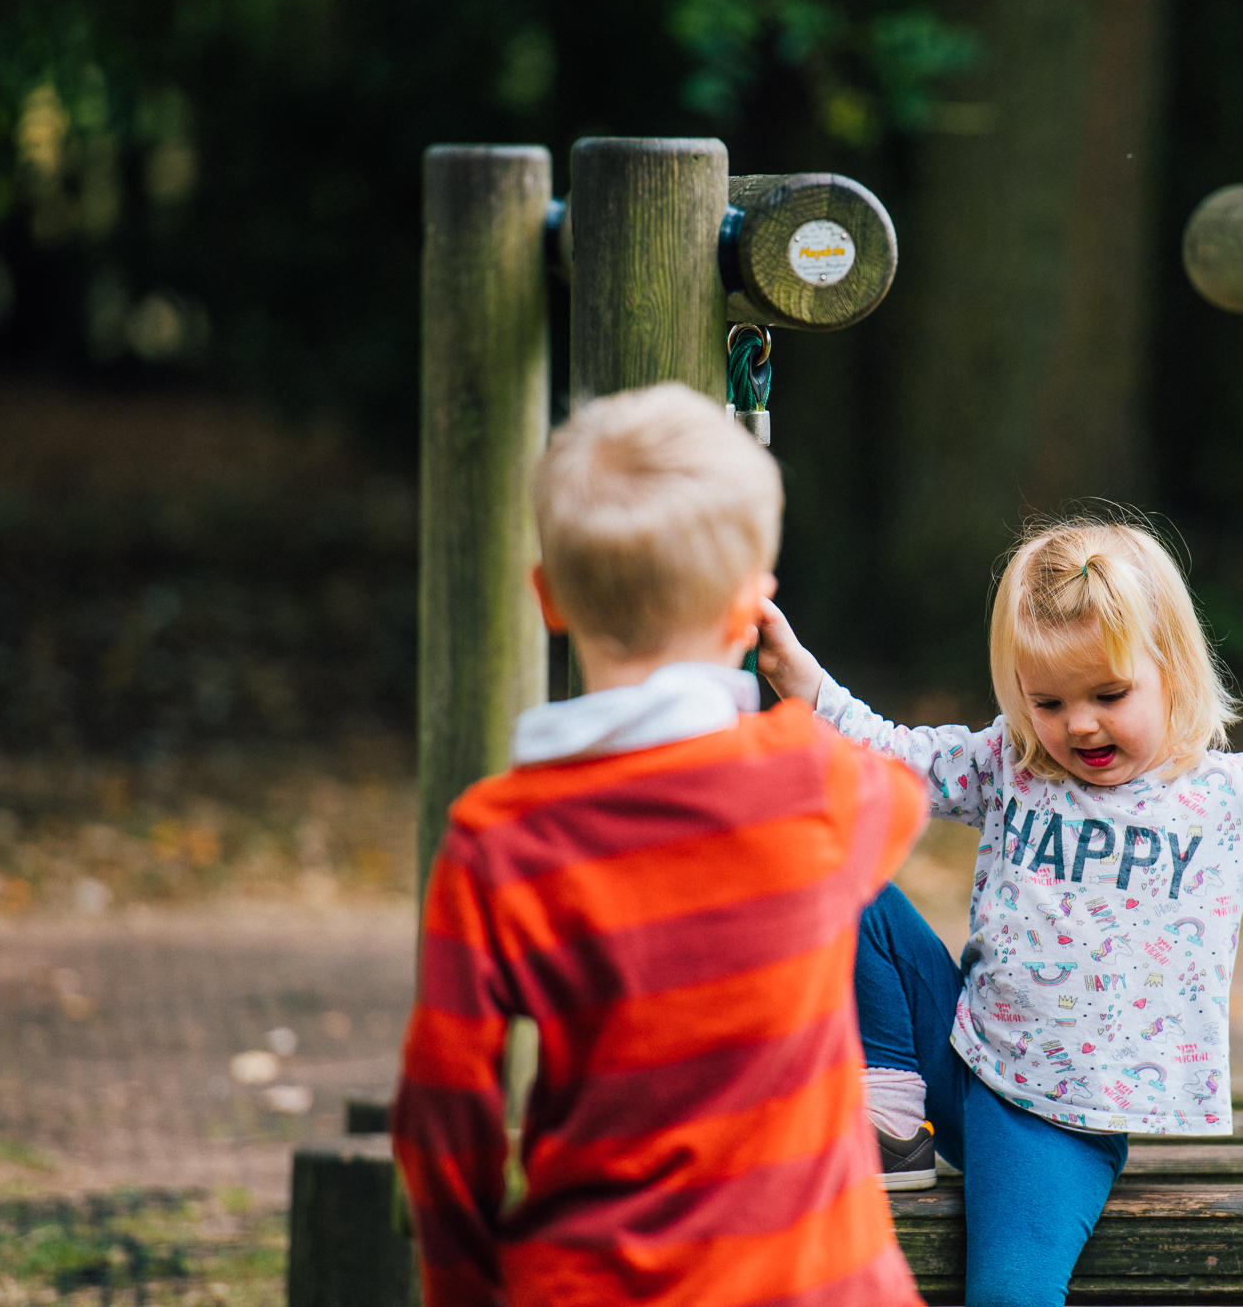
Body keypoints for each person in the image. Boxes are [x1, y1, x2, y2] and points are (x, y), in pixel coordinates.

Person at [755, 515, 1243, 1307]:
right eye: (1048, 700)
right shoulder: (1012, 764)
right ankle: (892, 1115)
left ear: (1171, 670)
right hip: (959, 1053)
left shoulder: (1223, 800)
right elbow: (894, 753)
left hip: (1053, 1121)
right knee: (838, 869)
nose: (1079, 723)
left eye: (1109, 694)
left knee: (1009, 1293)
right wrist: (805, 683)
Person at [392, 384, 929, 1307]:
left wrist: (462, 1286)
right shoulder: (809, 779)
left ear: (548, 599)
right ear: (748, 610)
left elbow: (444, 1108)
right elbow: (906, 801)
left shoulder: (497, 839)